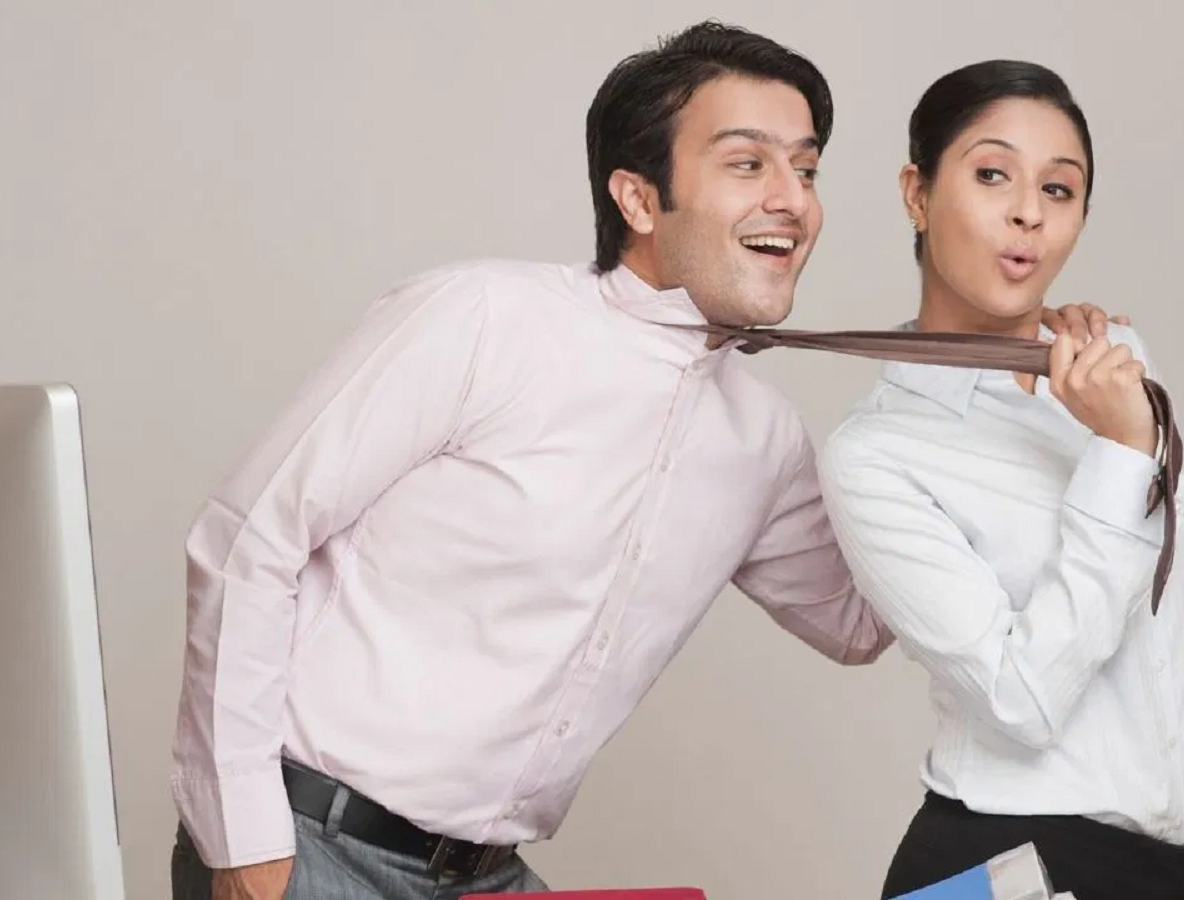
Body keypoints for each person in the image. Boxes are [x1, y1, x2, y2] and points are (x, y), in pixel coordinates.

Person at [167, 24, 1124, 900]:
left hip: (486, 876)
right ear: (637, 197)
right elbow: (247, 537)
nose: (792, 200)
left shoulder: (763, 437)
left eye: (805, 168)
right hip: (309, 845)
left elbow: (867, 618)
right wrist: (246, 840)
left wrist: (1017, 374)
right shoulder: (482, 318)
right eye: (747, 163)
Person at [815, 60, 1184, 900]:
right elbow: (1021, 700)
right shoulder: (878, 452)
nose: (1028, 212)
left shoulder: (1117, 368)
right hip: (1004, 863)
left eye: (1059, 189)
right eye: (992, 175)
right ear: (917, 193)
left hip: (1163, 871)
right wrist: (1122, 454)